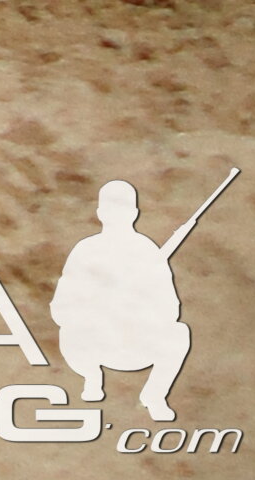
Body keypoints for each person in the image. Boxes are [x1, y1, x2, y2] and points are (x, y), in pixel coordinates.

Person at [52, 180, 196, 422]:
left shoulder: (148, 252)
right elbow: (61, 307)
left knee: (179, 333)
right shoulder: (85, 250)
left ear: (134, 213)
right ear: (100, 213)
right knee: (69, 332)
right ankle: (91, 377)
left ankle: (154, 396)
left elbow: (171, 309)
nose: (117, 215)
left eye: (122, 209)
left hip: (136, 344)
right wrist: (96, 308)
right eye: (111, 209)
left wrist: (138, 305)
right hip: (93, 344)